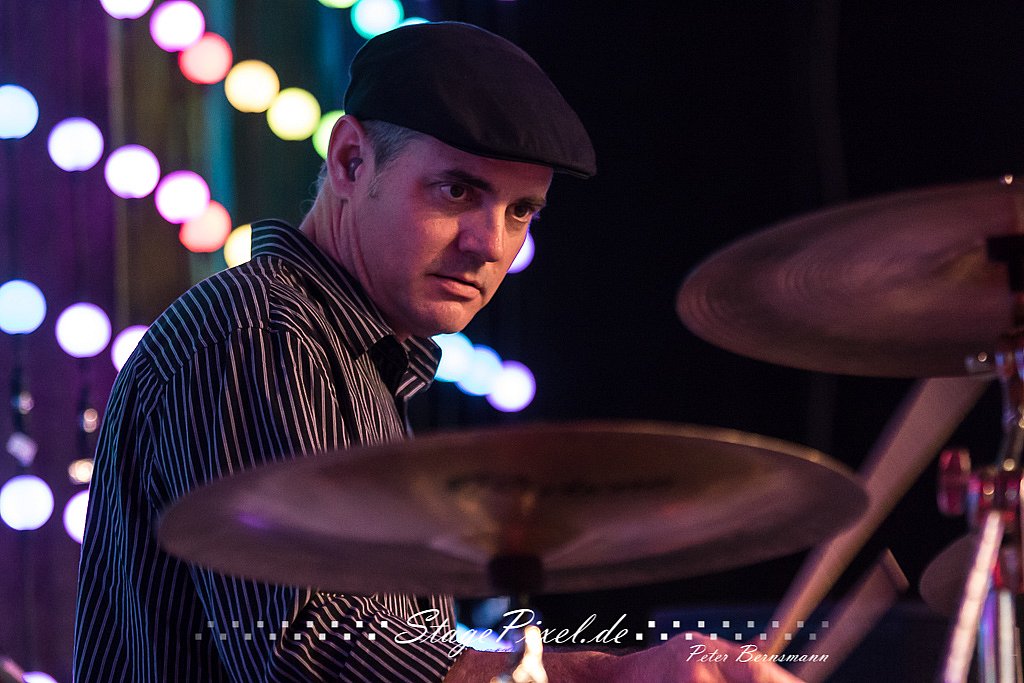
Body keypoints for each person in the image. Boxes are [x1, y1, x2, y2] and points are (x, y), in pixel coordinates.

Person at [74, 21, 802, 683]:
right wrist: (610, 678)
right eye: (457, 191)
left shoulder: (358, 357)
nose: (491, 244)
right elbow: (308, 655)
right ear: (351, 161)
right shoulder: (262, 332)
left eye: (521, 211)